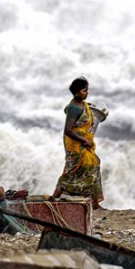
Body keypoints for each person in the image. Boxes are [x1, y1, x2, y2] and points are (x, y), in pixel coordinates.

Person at [52, 77, 105, 210]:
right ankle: (57, 194)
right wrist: (83, 140)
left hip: (83, 143)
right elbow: (68, 130)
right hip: (75, 145)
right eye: (84, 91)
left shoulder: (83, 105)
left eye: (87, 90)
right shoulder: (74, 108)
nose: (87, 93)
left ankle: (94, 202)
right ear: (76, 92)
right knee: (72, 171)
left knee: (94, 165)